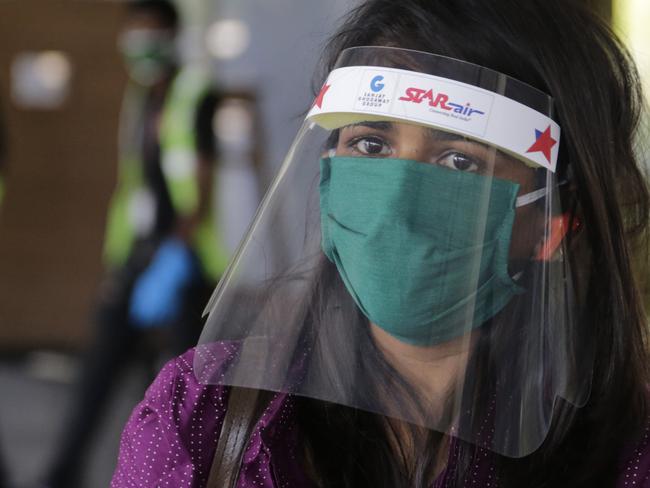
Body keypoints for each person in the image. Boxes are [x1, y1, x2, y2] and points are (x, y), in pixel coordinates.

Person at [112, 0, 650, 487]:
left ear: (554, 224)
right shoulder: (203, 414)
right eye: (370, 144)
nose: (395, 205)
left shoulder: (623, 457)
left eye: (459, 161)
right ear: (328, 175)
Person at [44, 1, 230, 487]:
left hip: (183, 262)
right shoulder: (139, 97)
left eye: (152, 35)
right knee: (96, 373)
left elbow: (202, 190)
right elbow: (133, 187)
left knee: (186, 392)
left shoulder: (196, 93)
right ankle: (60, 474)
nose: (142, 47)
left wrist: (171, 258)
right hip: (137, 258)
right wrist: (119, 266)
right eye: (135, 35)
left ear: (171, 37)